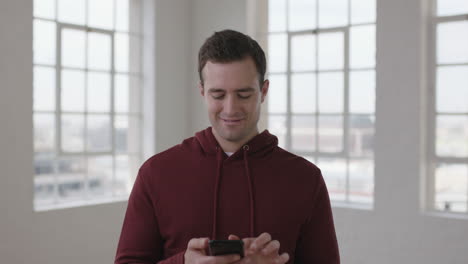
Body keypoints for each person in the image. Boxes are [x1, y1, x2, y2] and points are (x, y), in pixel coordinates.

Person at [115, 29, 340, 264]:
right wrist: (181, 262)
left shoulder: (305, 178)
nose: (231, 109)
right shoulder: (156, 173)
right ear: (202, 92)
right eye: (218, 94)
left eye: (243, 94)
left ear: (263, 91)